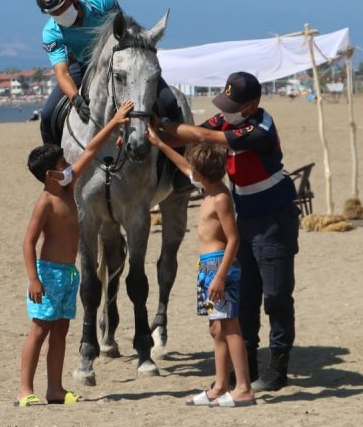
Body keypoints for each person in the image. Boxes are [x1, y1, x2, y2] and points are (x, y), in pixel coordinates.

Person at [156, 72, 300, 392]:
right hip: (246, 217)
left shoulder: (261, 128)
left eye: (233, 105)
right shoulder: (228, 119)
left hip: (275, 217)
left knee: (276, 296)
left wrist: (166, 130)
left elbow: (206, 138)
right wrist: (154, 131)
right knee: (245, 299)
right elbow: (190, 135)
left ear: (252, 105)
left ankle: (278, 368)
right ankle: (242, 369)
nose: (226, 111)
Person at [16, 100, 135, 407]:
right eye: (61, 165)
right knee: (40, 330)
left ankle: (54, 389)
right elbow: (28, 242)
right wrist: (33, 279)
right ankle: (24, 389)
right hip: (49, 274)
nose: (68, 166)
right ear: (49, 175)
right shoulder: (45, 202)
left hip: (69, 274)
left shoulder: (68, 188)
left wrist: (115, 122)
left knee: (61, 331)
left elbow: (92, 149)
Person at [147, 131, 255, 407]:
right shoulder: (207, 187)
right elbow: (184, 167)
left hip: (220, 266)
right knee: (216, 329)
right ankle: (220, 385)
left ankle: (243, 387)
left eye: (194, 168)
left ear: (203, 172)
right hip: (206, 267)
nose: (190, 171)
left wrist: (220, 276)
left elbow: (233, 239)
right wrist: (159, 143)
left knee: (230, 327)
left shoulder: (220, 197)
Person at [35, 0, 181, 146]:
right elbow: (62, 73)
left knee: (169, 100)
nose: (59, 14)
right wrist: (76, 99)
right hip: (83, 65)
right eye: (53, 12)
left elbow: (127, 33)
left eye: (62, 7)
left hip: (120, 61)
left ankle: (181, 153)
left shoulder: (103, 2)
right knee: (47, 115)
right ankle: (54, 162)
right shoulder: (50, 32)